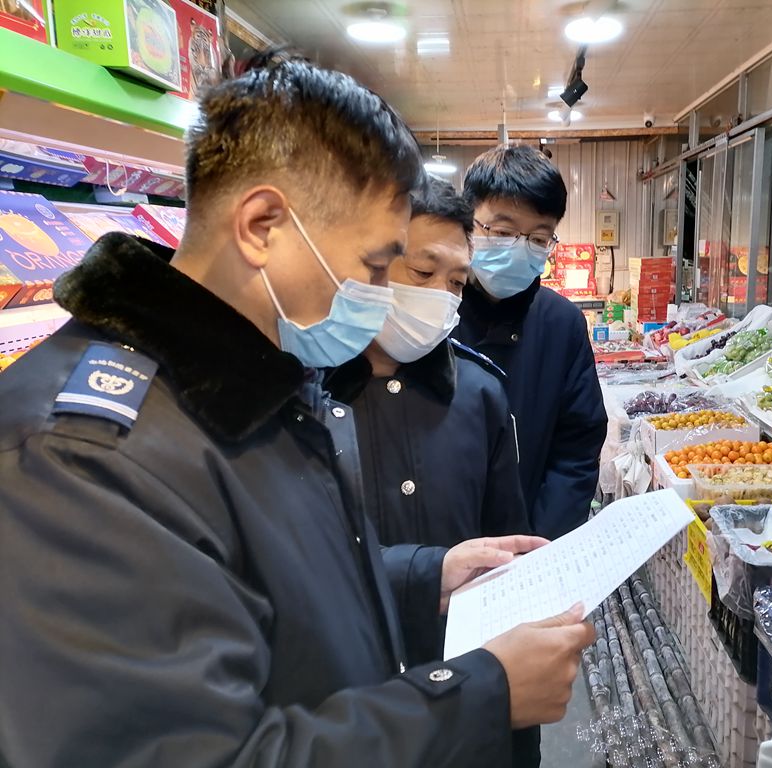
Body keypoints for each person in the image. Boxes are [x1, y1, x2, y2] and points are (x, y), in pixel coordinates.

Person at [0, 53, 594, 767]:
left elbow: (277, 582)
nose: (382, 294)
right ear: (262, 226)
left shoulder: (249, 380)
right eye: (377, 266)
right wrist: (479, 695)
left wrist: (419, 576)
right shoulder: (80, 462)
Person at [325, 176, 528, 558]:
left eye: (456, 282)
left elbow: (506, 536)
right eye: (422, 271)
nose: (440, 296)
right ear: (371, 265)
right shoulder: (311, 396)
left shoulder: (481, 393)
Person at [454, 145, 608, 541]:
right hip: (441, 558)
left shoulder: (562, 324)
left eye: (539, 239)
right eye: (503, 232)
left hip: (532, 550)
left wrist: (541, 544)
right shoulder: (431, 315)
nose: (520, 248)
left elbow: (577, 448)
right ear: (467, 222)